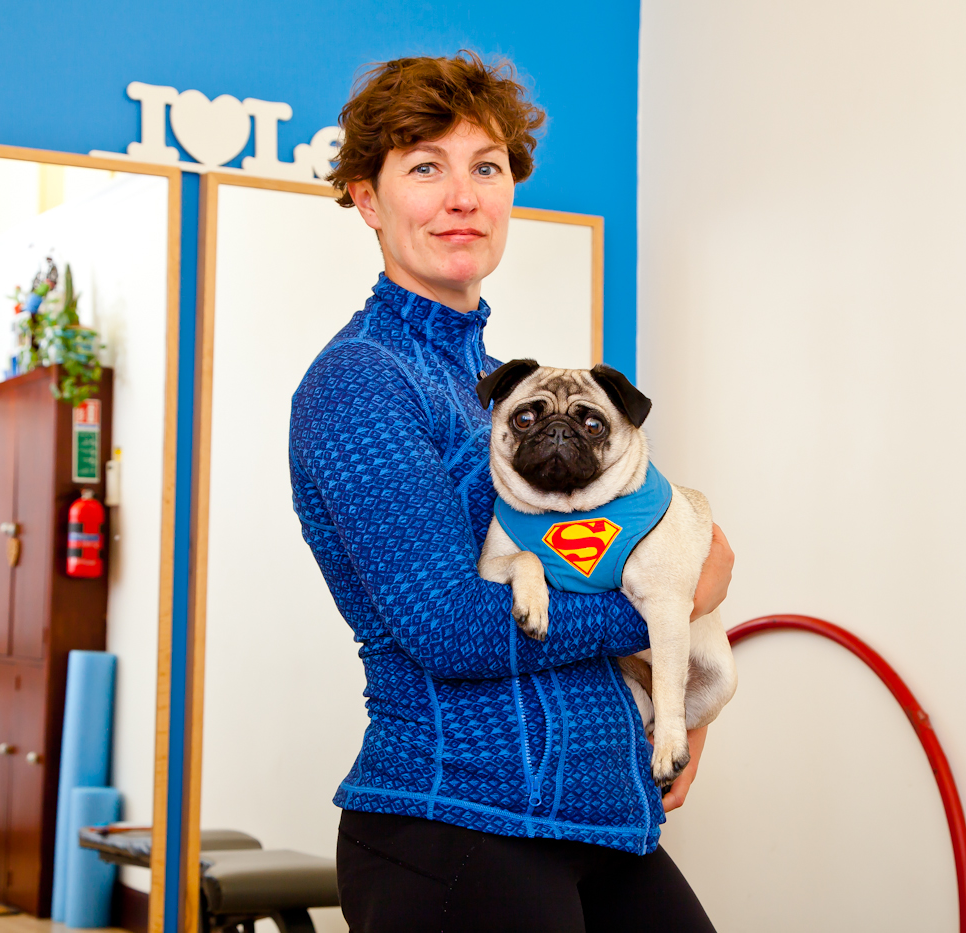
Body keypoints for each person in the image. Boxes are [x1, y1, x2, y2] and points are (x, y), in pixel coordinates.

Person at [289, 52, 734, 932]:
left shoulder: (509, 391)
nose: (464, 196)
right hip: (449, 828)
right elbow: (452, 629)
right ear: (366, 199)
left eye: (485, 167)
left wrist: (678, 703)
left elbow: (611, 556)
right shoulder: (360, 384)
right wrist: (672, 604)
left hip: (602, 820)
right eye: (426, 167)